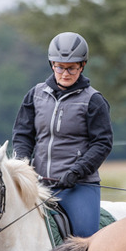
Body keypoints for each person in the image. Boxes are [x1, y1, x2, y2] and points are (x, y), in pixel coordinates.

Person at [11, 31, 113, 238]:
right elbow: (23, 135)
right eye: (59, 67)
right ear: (51, 64)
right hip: (38, 184)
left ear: (82, 65)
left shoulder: (93, 100)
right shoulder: (35, 95)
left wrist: (76, 171)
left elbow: (102, 143)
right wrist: (22, 165)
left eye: (71, 68)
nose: (65, 73)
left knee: (84, 238)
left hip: (78, 186)